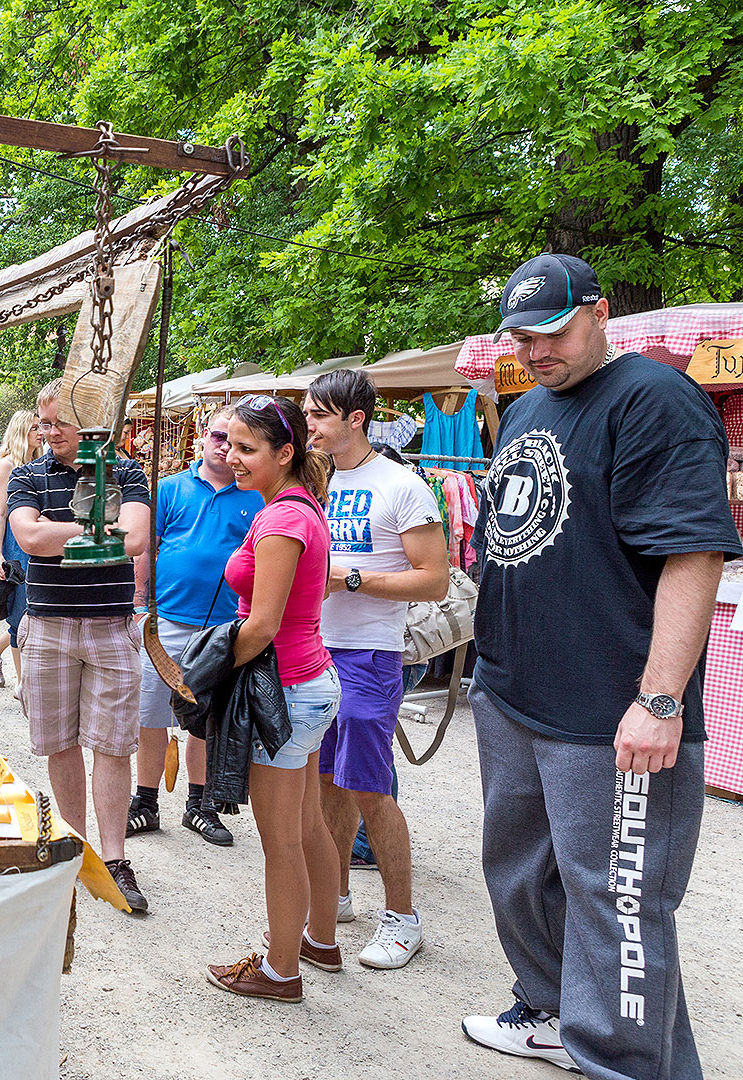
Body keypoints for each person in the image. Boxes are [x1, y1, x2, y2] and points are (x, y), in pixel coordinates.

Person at [460, 254, 738, 1077]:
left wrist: (660, 699)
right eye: (521, 338)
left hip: (607, 706)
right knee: (518, 875)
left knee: (618, 902)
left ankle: (625, 1061)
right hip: (514, 691)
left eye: (551, 333)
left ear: (600, 312)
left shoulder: (658, 400)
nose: (535, 352)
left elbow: (695, 553)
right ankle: (549, 1009)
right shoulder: (526, 408)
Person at [301, 368, 448, 970]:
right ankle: (334, 894)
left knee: (369, 785)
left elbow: (434, 579)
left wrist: (353, 576)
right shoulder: (315, 481)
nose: (308, 423)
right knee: (328, 783)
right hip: (317, 648)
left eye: (318, 414)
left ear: (354, 418)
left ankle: (402, 918)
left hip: (369, 653)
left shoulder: (402, 485)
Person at [205, 395, 343, 1003]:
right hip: (303, 685)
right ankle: (318, 940)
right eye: (229, 445)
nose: (232, 458)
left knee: (281, 839)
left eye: (247, 448)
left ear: (285, 454)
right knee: (308, 824)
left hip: (283, 692)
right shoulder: (295, 506)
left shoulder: (284, 518)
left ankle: (281, 971)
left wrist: (203, 676)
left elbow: (261, 626)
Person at [8, 379, 152, 913]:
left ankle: (114, 859)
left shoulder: (127, 471)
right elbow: (28, 540)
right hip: (47, 624)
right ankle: (75, 844)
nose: (47, 434)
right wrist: (97, 526)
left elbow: (135, 539)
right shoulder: (27, 475)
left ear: (90, 424)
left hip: (110, 624)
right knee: (59, 742)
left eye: (58, 424)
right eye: (42, 424)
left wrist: (55, 527)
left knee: (113, 744)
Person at [128, 403, 261, 845]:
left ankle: (200, 806)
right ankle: (145, 802)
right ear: (203, 435)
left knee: (205, 720)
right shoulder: (168, 489)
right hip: (165, 621)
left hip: (224, 627)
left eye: (236, 439)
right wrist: (139, 601)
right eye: (219, 436)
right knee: (150, 715)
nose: (225, 447)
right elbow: (147, 546)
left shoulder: (256, 495)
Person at [0, 409, 40, 692]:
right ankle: (22, 683)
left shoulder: (40, 462)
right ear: (21, 432)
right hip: (15, 545)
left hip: (37, 540)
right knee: (19, 610)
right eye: (35, 428)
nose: (41, 432)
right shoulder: (6, 465)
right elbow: (0, 513)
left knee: (34, 609)